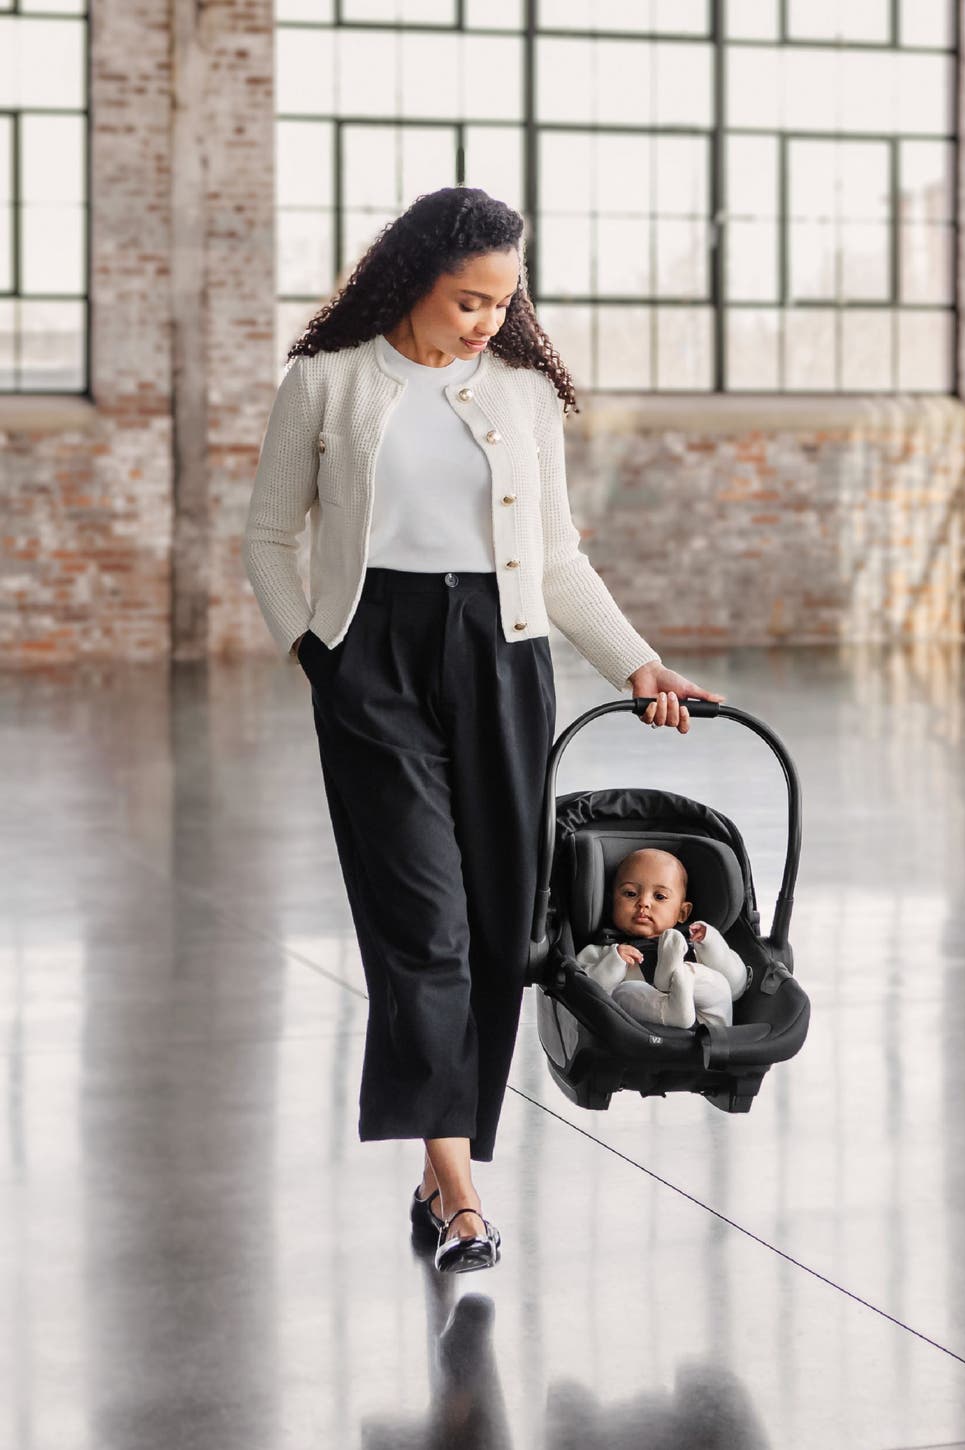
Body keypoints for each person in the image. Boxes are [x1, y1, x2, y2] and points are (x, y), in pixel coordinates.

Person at [242, 186, 726, 1274]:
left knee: (496, 922)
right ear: (413, 275)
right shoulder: (325, 383)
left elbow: (554, 559)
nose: (487, 322)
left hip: (500, 659)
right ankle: (457, 1184)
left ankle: (438, 1156)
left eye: (504, 303)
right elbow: (270, 537)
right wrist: (316, 654)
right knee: (423, 927)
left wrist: (636, 661)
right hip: (371, 657)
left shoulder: (520, 394)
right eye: (470, 301)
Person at [576, 848, 748, 1030]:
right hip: (644, 1032)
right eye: (630, 894)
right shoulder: (604, 950)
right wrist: (615, 961)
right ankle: (671, 1010)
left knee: (721, 985)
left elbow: (737, 986)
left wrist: (710, 941)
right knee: (623, 993)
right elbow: (585, 994)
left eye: (659, 896)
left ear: (683, 912)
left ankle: (679, 974)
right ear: (612, 903)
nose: (644, 903)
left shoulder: (694, 945)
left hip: (709, 1027)